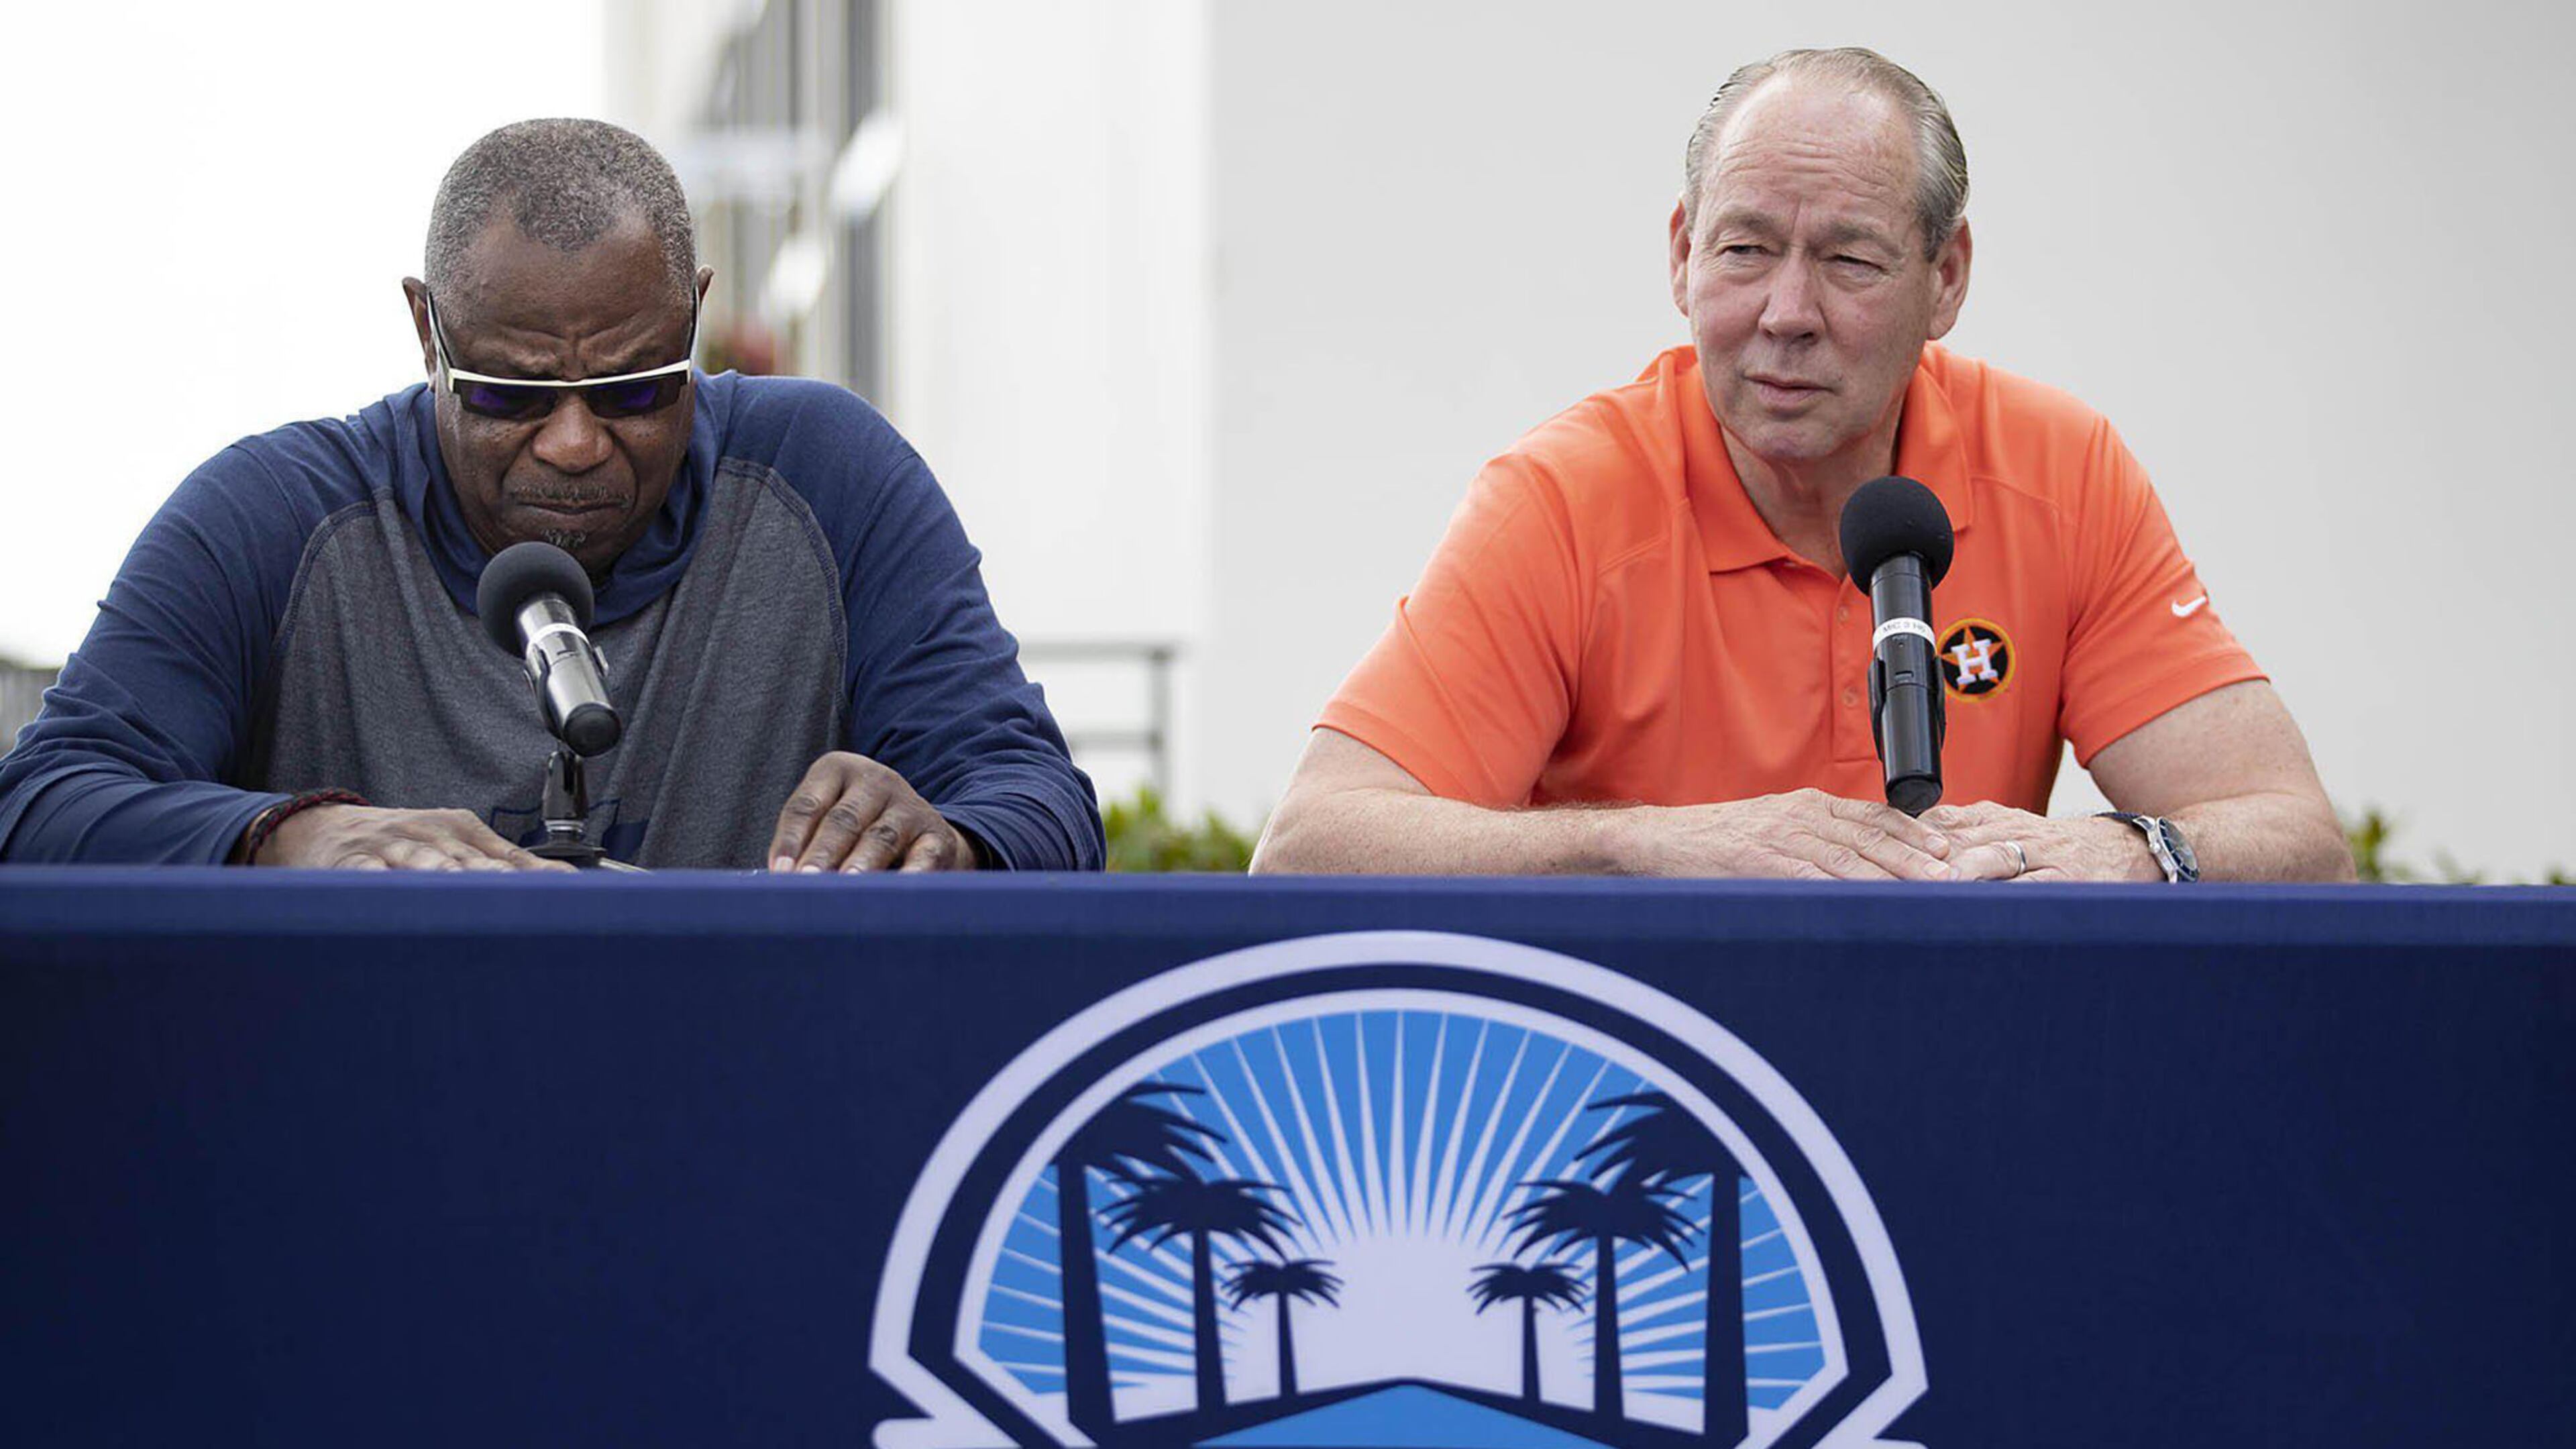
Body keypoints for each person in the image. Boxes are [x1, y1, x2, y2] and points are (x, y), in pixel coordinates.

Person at [1252, 48, 2349, 883]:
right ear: (1681, 257)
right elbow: (1309, 845)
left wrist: (2128, 851)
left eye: (1848, 261)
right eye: (1744, 250)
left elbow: (2298, 836)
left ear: (1947, 278)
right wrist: (1660, 847)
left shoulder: (2061, 469)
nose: (1786, 314)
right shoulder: (1564, 498)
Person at [0, 119, 1102, 873]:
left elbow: (1038, 800)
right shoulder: (271, 516)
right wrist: (293, 836)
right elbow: (39, 804)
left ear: (695, 317)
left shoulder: (832, 475)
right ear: (427, 329)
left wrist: (949, 836)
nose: (574, 444)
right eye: (507, 394)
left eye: (633, 389)